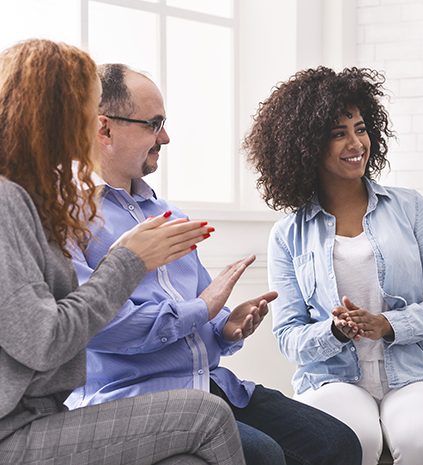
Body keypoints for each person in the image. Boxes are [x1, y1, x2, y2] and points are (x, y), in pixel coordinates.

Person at [65, 63, 362, 465]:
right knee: (263, 455)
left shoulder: (169, 215)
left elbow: (202, 306)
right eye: (154, 124)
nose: (165, 138)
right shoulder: (67, 219)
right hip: (136, 398)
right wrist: (203, 309)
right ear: (105, 129)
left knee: (338, 443)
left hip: (209, 383)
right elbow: (100, 327)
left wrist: (225, 326)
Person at [0, 39, 244, 464]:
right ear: (54, 115)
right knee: (208, 416)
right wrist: (128, 261)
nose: (95, 127)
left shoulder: (34, 199)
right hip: (13, 430)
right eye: (86, 110)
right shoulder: (8, 201)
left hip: (41, 416)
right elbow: (44, 341)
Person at [243, 66, 423, 465]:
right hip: (331, 380)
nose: (356, 143)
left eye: (360, 129)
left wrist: (388, 324)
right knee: (351, 442)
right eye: (338, 133)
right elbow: (288, 336)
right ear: (307, 147)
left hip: (414, 374)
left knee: (420, 442)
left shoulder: (411, 208)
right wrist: (334, 332)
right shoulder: (287, 235)